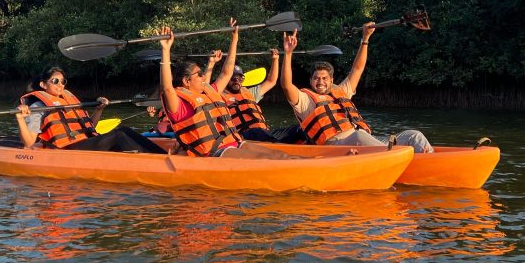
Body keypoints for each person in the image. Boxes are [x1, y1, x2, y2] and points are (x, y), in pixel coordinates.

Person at [279, 25, 434, 153]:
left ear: (331, 80)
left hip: (366, 142)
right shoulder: (306, 101)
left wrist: (365, 39)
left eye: (324, 78)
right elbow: (286, 85)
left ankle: (427, 162)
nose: (320, 81)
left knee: (414, 136)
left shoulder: (341, 91)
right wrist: (288, 53)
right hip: (337, 147)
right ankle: (392, 156)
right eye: (316, 78)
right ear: (311, 82)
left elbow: (357, 69)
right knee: (359, 136)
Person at [158, 21, 287, 159]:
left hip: (235, 142)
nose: (203, 77)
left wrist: (234, 38)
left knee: (279, 155)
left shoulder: (209, 91)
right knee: (264, 159)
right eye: (199, 74)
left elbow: (226, 72)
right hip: (215, 152)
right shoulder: (179, 105)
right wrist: (165, 50)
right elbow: (166, 87)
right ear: (186, 81)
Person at [15, 66, 165, 153]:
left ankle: (162, 155)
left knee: (125, 130)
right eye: (55, 81)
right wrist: (20, 118)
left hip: (83, 141)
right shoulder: (38, 106)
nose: (60, 85)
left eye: (63, 81)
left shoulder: (67, 100)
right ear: (43, 85)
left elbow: (89, 127)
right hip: (68, 148)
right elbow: (28, 142)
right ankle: (158, 163)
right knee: (118, 135)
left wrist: (99, 110)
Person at [206, 49, 302, 143]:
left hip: (265, 132)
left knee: (299, 129)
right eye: (233, 78)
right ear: (226, 79)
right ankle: (276, 146)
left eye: (239, 78)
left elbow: (271, 81)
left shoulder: (249, 93)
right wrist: (211, 63)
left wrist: (275, 60)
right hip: (244, 136)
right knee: (257, 132)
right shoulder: (219, 96)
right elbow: (204, 90)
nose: (236, 81)